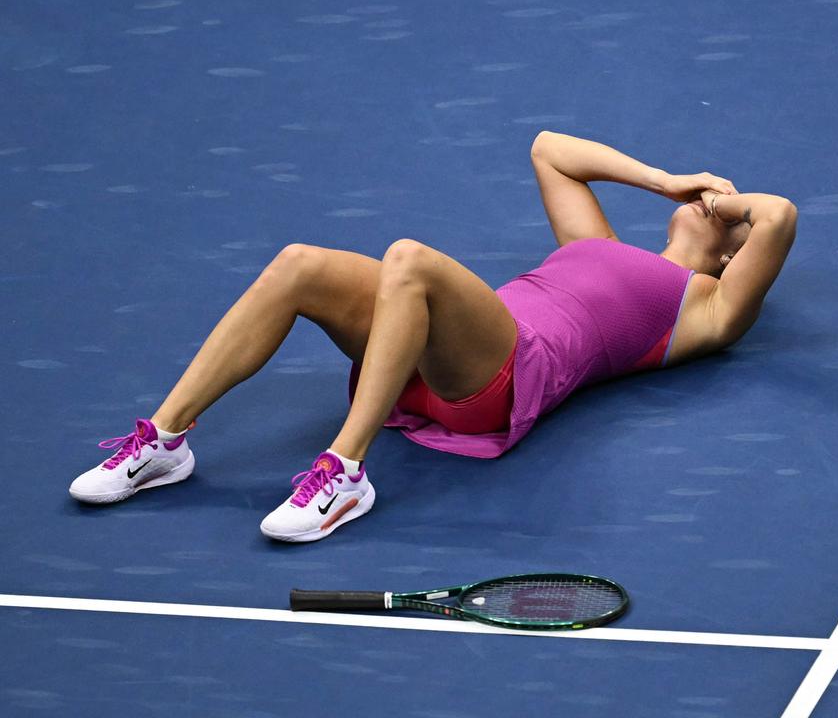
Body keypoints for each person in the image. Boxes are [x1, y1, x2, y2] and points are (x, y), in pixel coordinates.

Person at [69, 131, 797, 542]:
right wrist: (665, 178)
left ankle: (346, 473)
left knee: (410, 260)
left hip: (506, 372)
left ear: (733, 254)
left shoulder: (704, 310)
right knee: (298, 265)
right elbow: (550, 150)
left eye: (726, 217)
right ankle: (164, 443)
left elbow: (782, 215)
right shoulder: (601, 244)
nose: (717, 207)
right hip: (422, 356)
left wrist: (734, 204)